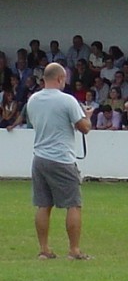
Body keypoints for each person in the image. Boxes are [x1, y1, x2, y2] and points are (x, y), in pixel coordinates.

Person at [26, 62, 94, 260]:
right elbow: (84, 128)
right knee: (73, 203)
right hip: (61, 158)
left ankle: (44, 249)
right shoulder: (67, 101)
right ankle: (74, 250)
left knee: (43, 204)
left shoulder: (33, 100)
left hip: (39, 157)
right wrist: (87, 116)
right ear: (60, 78)